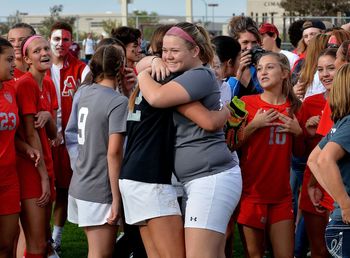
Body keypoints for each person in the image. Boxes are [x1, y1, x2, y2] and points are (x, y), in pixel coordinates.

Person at [120, 24, 230, 258]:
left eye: (173, 51)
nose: (167, 56)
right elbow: (209, 121)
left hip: (133, 176)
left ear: (194, 50)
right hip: (151, 178)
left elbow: (141, 65)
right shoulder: (166, 79)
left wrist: (146, 65)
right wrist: (226, 112)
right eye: (163, 51)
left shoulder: (154, 76)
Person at [237, 52, 303, 258]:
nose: (262, 72)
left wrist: (298, 132)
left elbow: (301, 154)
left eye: (269, 67)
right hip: (250, 194)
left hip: (281, 197)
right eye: (259, 68)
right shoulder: (243, 102)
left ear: (285, 73)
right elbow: (228, 144)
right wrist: (253, 126)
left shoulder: (297, 108)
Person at [65, 44, 128, 258]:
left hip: (81, 181)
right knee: (100, 253)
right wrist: (117, 199)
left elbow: (71, 134)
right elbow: (114, 153)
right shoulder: (117, 101)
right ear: (121, 68)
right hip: (100, 188)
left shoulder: (83, 91)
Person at [48, 21, 90, 253]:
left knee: (63, 190)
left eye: (65, 39)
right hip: (43, 141)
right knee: (41, 194)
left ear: (71, 42)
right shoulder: (37, 67)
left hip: (67, 143)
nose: (60, 44)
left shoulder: (80, 68)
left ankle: (56, 237)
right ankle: (40, 238)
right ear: (49, 40)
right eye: (56, 39)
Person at [16, 35, 58, 258]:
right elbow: (30, 134)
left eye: (46, 48)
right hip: (31, 169)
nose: (44, 53)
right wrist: (42, 176)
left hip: (46, 163)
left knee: (42, 241)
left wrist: (48, 117)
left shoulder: (49, 83)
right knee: (36, 244)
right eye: (37, 51)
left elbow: (52, 133)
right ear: (27, 59)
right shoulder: (25, 84)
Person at [308, 63, 350, 258]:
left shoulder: (343, 121)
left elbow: (314, 160)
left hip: (340, 219)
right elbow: (324, 160)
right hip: (345, 221)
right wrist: (345, 203)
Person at [298, 48, 337, 258]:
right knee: (318, 249)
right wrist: (303, 131)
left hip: (339, 182)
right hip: (313, 181)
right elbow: (300, 151)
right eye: (320, 69)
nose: (325, 74)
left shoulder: (342, 102)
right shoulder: (311, 102)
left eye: (331, 68)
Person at [0, 37, 20, 258]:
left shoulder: (11, 89)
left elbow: (13, 135)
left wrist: (26, 148)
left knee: (7, 245)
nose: (13, 64)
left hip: (9, 179)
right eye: (8, 60)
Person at [227, 16, 263, 97]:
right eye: (245, 42)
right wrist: (239, 72)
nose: (250, 47)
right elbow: (226, 98)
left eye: (254, 42)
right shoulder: (225, 65)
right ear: (234, 42)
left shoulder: (261, 65)